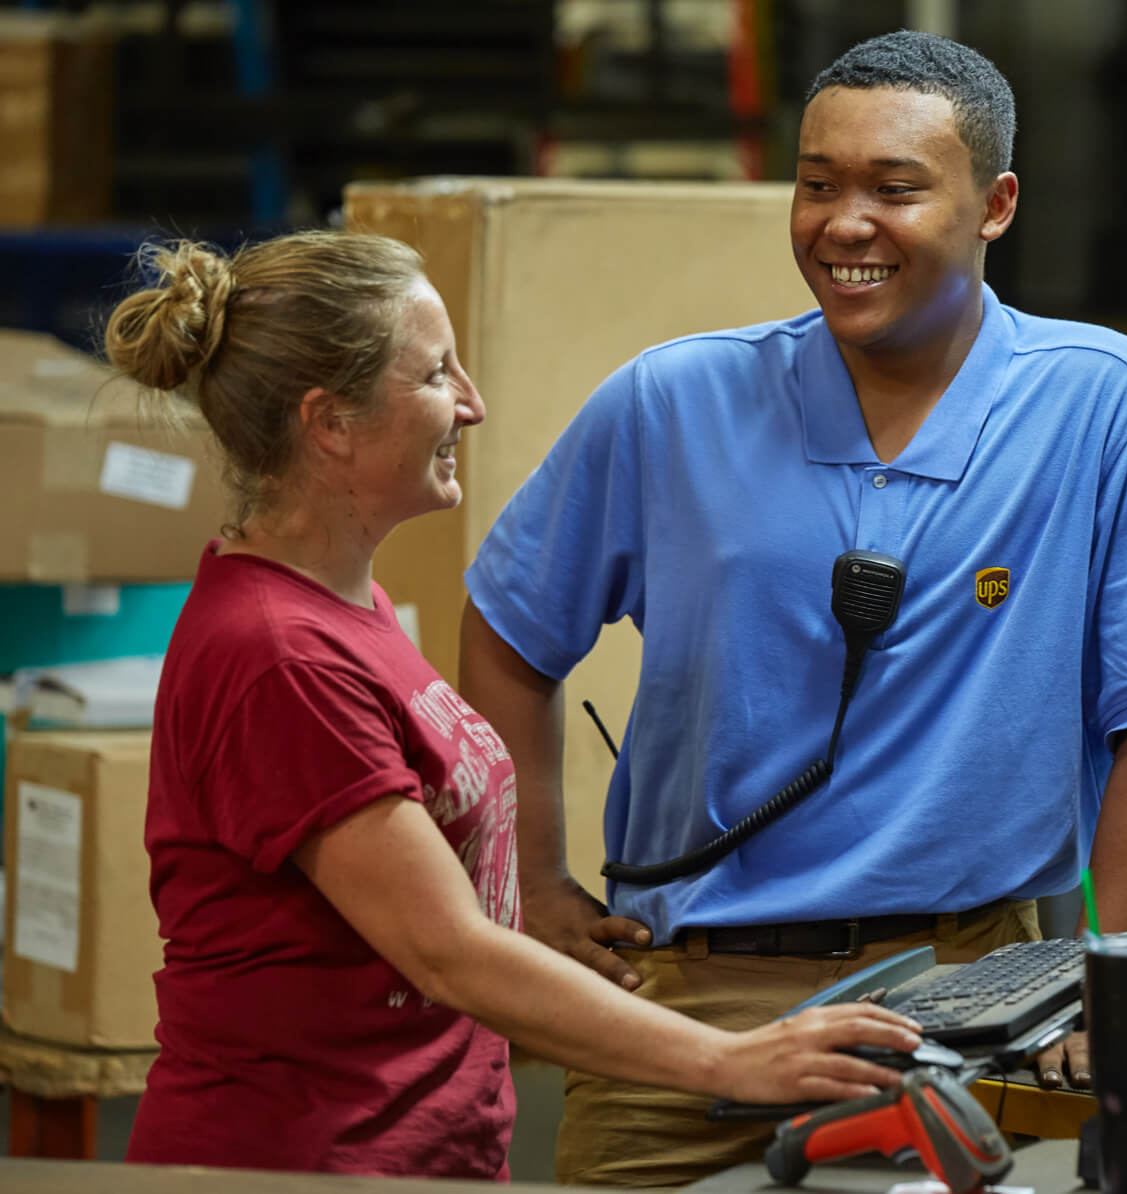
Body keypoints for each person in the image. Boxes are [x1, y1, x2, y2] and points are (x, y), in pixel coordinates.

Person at [457, 28, 1127, 1188]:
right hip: (682, 1007)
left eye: (895, 187)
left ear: (997, 205)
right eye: (817, 183)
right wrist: (533, 878)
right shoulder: (673, 403)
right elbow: (510, 627)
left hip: (960, 1000)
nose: (843, 224)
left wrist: (1107, 985)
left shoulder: (1112, 410)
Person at [102, 230, 924, 1180]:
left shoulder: (344, 606)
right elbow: (447, 951)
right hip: (299, 1159)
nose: (471, 404)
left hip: (410, 1142)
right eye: (436, 375)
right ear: (329, 422)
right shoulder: (279, 657)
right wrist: (732, 1061)